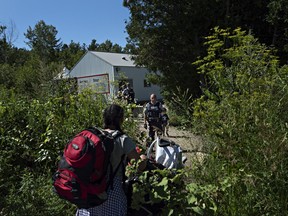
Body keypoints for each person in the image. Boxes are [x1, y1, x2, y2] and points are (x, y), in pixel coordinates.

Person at [76, 104, 146, 216]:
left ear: (104, 118)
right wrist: (143, 158)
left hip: (89, 193)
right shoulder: (123, 139)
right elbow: (140, 166)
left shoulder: (93, 136)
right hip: (111, 193)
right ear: (121, 120)